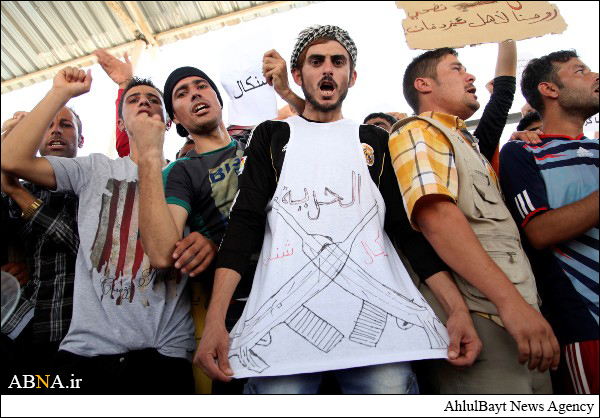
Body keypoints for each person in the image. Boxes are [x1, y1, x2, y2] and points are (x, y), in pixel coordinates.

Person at [196, 25, 481, 395]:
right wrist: (216, 320)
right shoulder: (271, 136)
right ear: (298, 75)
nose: (327, 68)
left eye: (338, 61)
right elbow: (243, 224)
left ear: (352, 76)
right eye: (316, 61)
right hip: (285, 336)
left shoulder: (375, 141)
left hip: (379, 337)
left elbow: (405, 231)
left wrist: (456, 310)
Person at [1, 68, 198, 394]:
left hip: (164, 351)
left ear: (167, 122)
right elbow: (10, 159)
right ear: (121, 124)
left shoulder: (187, 173)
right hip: (86, 353)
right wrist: (60, 93)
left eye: (153, 100)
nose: (144, 103)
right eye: (133, 100)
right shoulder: (94, 168)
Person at [389, 46, 560, 394]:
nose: (470, 76)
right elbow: (437, 217)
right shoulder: (418, 131)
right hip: (484, 319)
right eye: (456, 69)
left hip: (520, 318)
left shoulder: (467, 144)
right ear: (424, 84)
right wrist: (510, 304)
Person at [499, 50, 599, 394]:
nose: (595, 75)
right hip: (587, 322)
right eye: (580, 71)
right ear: (550, 89)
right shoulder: (523, 152)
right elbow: (540, 232)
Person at [1, 108, 80, 391]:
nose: (56, 130)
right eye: (47, 125)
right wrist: (8, 137)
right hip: (23, 326)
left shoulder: (90, 186)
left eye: (66, 124)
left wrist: (17, 193)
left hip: (75, 332)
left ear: (81, 140)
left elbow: (79, 244)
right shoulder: (19, 186)